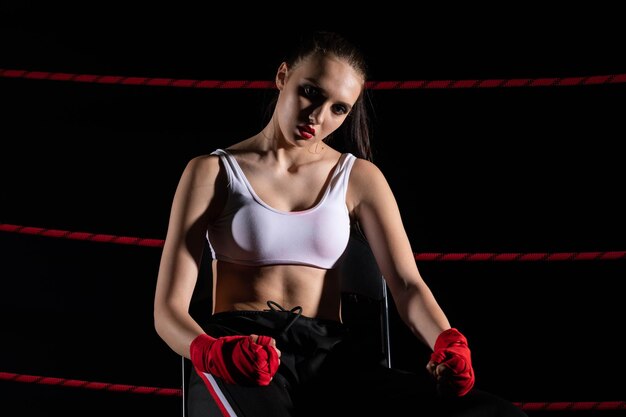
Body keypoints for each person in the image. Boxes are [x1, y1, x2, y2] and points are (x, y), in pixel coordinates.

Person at [154, 30, 527, 417]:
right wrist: (210, 352)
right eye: (311, 92)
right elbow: (167, 311)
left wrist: (448, 341)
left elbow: (406, 284)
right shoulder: (212, 171)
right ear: (283, 76)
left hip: (330, 359)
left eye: (339, 108)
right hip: (241, 349)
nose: (318, 117)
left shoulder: (358, 177)